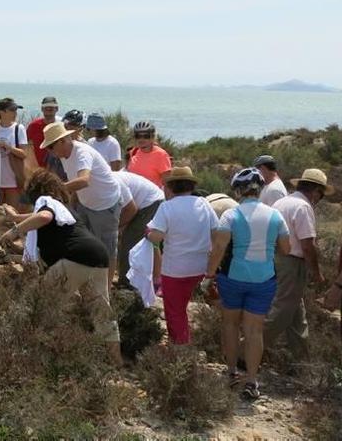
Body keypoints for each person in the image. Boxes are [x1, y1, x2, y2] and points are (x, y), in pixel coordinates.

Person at [0, 169, 122, 365]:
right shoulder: (63, 207)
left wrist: (14, 231)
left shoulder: (45, 202)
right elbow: (39, 215)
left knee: (43, 306)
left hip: (73, 258)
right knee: (102, 314)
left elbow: (44, 217)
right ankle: (116, 362)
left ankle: (44, 360)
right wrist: (16, 217)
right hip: (98, 257)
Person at [206, 167, 290, 400]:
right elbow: (286, 249)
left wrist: (210, 273)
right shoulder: (276, 216)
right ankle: (252, 380)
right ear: (260, 188)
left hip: (232, 277)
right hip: (264, 279)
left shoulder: (230, 215)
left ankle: (231, 372)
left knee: (230, 325)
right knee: (254, 330)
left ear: (238, 191)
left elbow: (220, 248)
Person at [41, 122, 122, 287]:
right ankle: (90, 282)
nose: (50, 151)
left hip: (105, 205)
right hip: (86, 204)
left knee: (107, 248)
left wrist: (58, 189)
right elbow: (75, 183)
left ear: (63, 141)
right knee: (89, 244)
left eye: (51, 146)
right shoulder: (65, 155)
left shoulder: (82, 153)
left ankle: (106, 287)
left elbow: (84, 180)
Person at [263, 168, 332, 358]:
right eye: (322, 194)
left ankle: (302, 359)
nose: (320, 199)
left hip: (274, 259)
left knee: (296, 313)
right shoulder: (303, 207)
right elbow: (307, 246)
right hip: (292, 264)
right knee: (283, 310)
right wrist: (317, 273)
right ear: (316, 191)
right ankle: (245, 350)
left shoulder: (280, 203)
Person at [146, 166, 219, 345]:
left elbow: (157, 236)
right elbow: (216, 233)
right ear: (191, 186)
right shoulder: (203, 203)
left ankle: (180, 347)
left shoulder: (166, 207)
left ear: (171, 187)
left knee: (175, 311)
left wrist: (147, 233)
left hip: (175, 269)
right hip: (201, 266)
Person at [115, 170, 165, 280]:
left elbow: (132, 209)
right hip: (146, 202)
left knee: (130, 240)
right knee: (149, 244)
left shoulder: (114, 182)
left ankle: (128, 282)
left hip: (151, 203)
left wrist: (117, 227)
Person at [127, 121, 172, 188]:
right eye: (138, 136)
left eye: (146, 136)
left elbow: (167, 183)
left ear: (152, 137)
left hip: (153, 197)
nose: (141, 139)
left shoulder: (161, 155)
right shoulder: (133, 152)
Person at [26, 96, 59, 167]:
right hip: (37, 169)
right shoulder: (33, 126)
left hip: (57, 169)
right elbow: (26, 147)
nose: (48, 113)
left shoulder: (61, 126)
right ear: (42, 109)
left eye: (51, 110)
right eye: (46, 109)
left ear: (57, 109)